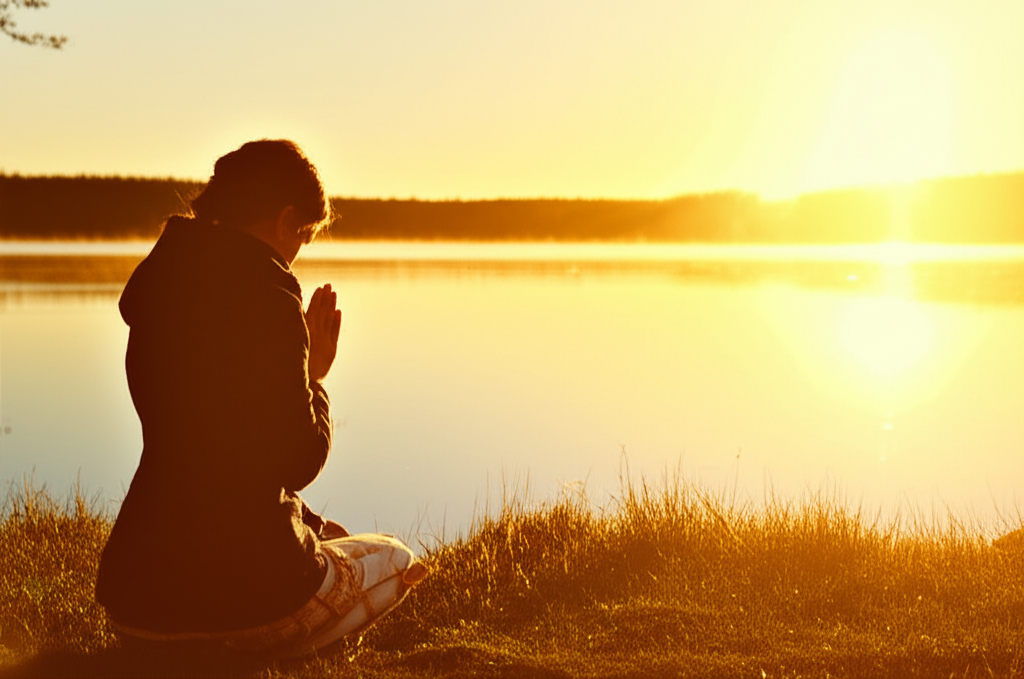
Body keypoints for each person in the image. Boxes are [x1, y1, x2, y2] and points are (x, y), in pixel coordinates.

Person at [95, 139, 426, 657]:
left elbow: (218, 453)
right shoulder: (269, 300)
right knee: (398, 559)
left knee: (328, 534)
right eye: (304, 237)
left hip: (136, 603)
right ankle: (267, 645)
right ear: (286, 220)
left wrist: (309, 522)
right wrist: (314, 377)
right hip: (242, 598)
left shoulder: (162, 288)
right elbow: (297, 461)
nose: (297, 255)